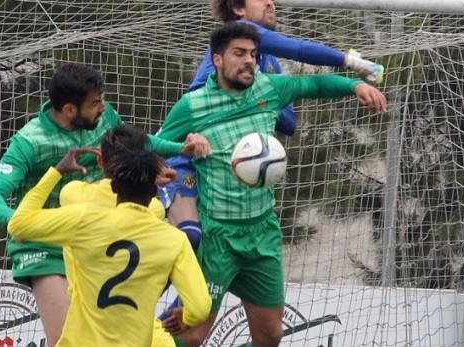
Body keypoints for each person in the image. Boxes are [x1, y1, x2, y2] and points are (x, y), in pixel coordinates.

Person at [157, 22, 387, 347]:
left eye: (253, 53)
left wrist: (353, 86)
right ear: (218, 59)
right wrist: (182, 148)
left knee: (271, 336)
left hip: (263, 234)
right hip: (218, 239)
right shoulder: (192, 106)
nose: (249, 60)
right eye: (239, 53)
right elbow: (152, 145)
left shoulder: (269, 88)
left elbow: (314, 85)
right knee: (191, 334)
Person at [0, 62, 209, 347]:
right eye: (95, 103)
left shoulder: (103, 117)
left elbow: (130, 144)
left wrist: (174, 152)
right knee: (65, 337)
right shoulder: (29, 141)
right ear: (69, 109)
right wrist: (19, 223)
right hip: (45, 245)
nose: (102, 108)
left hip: (95, 236)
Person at [160, 0, 384, 250]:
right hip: (185, 161)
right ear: (238, 9)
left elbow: (289, 123)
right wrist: (350, 61)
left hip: (219, 168)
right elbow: (297, 48)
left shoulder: (266, 67)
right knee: (192, 237)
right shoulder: (239, 32)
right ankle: (148, 286)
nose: (271, 2)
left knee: (213, 252)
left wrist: (257, 103)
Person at [7, 145, 212, 347]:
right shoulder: (174, 239)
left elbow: (18, 224)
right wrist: (187, 317)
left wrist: (56, 172)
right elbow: (201, 306)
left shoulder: (85, 219)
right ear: (153, 191)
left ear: (114, 187)